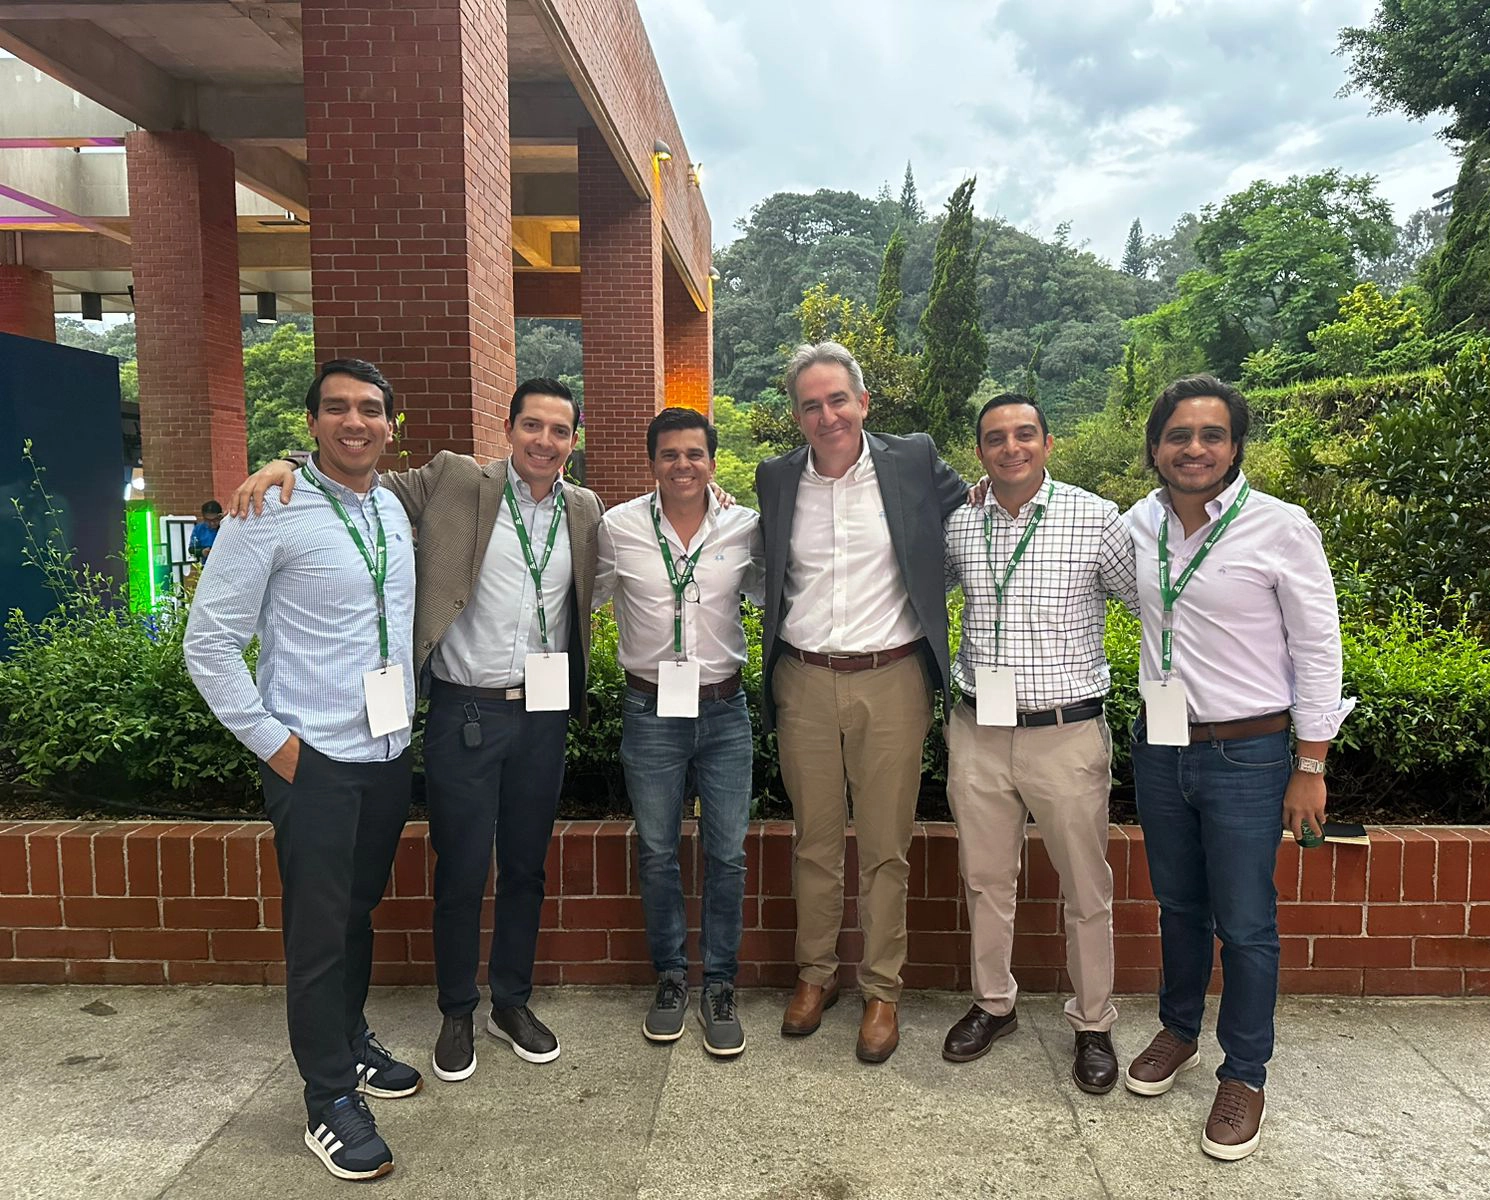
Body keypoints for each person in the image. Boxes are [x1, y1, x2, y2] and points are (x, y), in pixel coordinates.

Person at [228, 379, 603, 1086]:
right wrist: (282, 461)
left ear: (572, 441)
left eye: (559, 431)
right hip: (466, 711)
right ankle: (457, 1009)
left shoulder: (584, 510)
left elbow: (600, 588)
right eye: (532, 425)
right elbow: (353, 474)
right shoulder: (454, 478)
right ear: (509, 427)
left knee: (526, 867)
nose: (544, 442)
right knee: (461, 869)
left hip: (545, 713)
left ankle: (511, 1002)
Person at [185, 359, 420, 1182]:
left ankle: (349, 1046)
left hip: (387, 755)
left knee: (357, 913)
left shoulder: (391, 506)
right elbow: (208, 645)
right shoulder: (270, 509)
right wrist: (276, 745)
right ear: (313, 423)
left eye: (370, 410)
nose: (355, 423)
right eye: (337, 410)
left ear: (392, 423)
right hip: (313, 760)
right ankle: (326, 1100)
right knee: (317, 937)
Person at [1122, 374, 1352, 1161]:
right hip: (1160, 747)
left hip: (1249, 753)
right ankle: (1178, 1030)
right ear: (1155, 446)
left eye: (1211, 435)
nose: (1194, 449)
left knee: (1247, 922)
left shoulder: (1280, 528)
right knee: (1179, 906)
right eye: (1178, 435)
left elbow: (1319, 647)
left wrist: (1311, 762)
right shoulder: (1139, 523)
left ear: (1234, 447)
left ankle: (1245, 1072)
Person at [755, 341, 968, 1064]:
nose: (827, 415)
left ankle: (882, 989)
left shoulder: (910, 461)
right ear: (797, 415)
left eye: (837, 399)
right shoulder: (777, 477)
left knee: (885, 847)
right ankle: (814, 978)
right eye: (811, 405)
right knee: (814, 841)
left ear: (863, 402)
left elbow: (973, 510)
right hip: (805, 680)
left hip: (894, 676)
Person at [940, 393, 1138, 1093]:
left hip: (1067, 732)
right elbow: (919, 592)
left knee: (1087, 888)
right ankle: (994, 1004)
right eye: (996, 438)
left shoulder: (1095, 519)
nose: (1011, 447)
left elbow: (1156, 603)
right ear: (980, 452)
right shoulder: (960, 521)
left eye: (1025, 434)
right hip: (978, 733)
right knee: (986, 880)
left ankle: (1093, 1022)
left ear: (1049, 443)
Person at [594, 407, 763, 1058]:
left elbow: (781, 590)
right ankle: (670, 978)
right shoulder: (618, 528)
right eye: (670, 455)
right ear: (652, 463)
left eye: (695, 454)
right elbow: (585, 595)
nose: (683, 465)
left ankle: (719, 983)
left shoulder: (745, 526)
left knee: (726, 855)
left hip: (724, 712)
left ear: (712, 462)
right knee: (659, 853)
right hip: (650, 711)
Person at [188, 500, 223, 565]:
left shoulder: (225, 527)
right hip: (206, 565)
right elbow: (191, 549)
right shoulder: (199, 529)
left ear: (220, 516)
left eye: (215, 520)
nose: (212, 523)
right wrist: (201, 551)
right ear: (204, 518)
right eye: (208, 520)